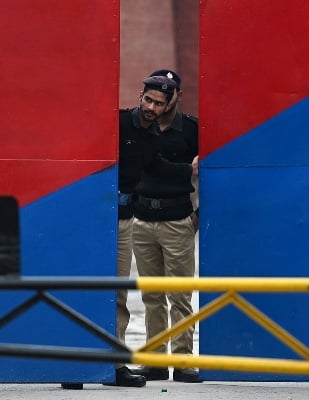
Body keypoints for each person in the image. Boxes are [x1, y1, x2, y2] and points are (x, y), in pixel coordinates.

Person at [108, 73, 195, 387]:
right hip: (106, 215)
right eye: (148, 99)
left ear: (169, 104)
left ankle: (117, 364)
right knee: (118, 292)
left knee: (124, 291)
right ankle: (96, 363)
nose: (151, 107)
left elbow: (156, 165)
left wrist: (189, 170)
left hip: (132, 217)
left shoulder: (155, 137)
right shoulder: (116, 123)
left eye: (159, 103)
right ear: (140, 95)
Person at [131, 69, 201, 383]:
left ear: (175, 98)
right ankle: (156, 362)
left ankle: (185, 362)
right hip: (143, 219)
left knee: (180, 295)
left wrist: (197, 215)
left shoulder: (191, 130)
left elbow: (207, 175)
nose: (156, 105)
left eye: (163, 98)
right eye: (151, 98)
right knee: (152, 296)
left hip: (177, 220)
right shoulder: (136, 126)